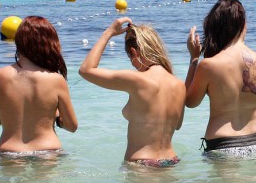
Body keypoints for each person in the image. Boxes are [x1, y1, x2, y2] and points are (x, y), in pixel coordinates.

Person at [78, 17, 185, 167]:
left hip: (142, 164)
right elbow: (177, 125)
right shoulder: (179, 84)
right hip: (171, 161)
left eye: (130, 58)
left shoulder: (136, 79)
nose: (133, 66)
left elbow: (85, 70)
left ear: (134, 52)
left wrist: (109, 33)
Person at [185, 0, 256, 156]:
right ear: (243, 25)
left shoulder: (209, 65)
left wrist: (194, 59)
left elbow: (190, 102)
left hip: (224, 146)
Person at [0, 16, 77, 156]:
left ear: (19, 42)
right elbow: (71, 126)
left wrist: (12, 115)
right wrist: (54, 116)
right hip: (48, 151)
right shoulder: (56, 79)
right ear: (49, 43)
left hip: (9, 151)